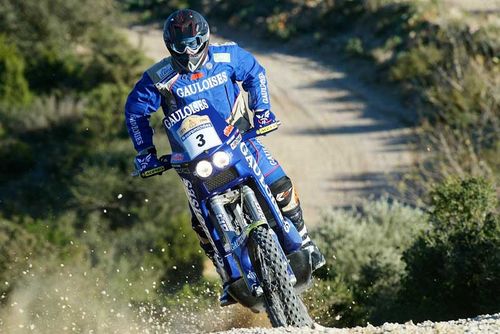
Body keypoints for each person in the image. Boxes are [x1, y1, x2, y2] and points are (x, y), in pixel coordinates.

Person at [125, 9, 325, 306]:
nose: (189, 51)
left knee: (281, 185)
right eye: (181, 46)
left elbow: (255, 73)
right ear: (170, 46)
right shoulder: (159, 77)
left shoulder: (228, 56)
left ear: (205, 38)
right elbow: (135, 111)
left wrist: (262, 111)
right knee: (201, 226)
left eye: (194, 42)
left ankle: (305, 243)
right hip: (192, 161)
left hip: (241, 141)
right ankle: (227, 275)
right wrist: (146, 154)